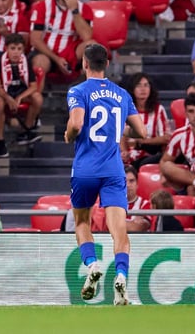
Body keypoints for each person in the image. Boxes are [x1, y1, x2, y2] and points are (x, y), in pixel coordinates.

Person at [66, 43, 146, 304]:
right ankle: (121, 277)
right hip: (113, 170)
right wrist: (120, 131)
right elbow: (141, 132)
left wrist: (68, 134)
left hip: (86, 169)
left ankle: (92, 265)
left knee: (81, 222)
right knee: (119, 229)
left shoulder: (78, 91)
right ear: (107, 65)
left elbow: (76, 124)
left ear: (84, 64)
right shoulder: (122, 94)